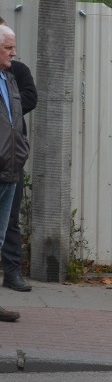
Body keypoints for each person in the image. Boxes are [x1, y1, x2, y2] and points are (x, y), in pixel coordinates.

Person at [0, 17, 36, 293]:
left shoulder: (13, 75)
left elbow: (26, 104)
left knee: (8, 224)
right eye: (8, 47)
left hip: (11, 162)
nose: (13, 52)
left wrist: (18, 148)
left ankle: (11, 273)